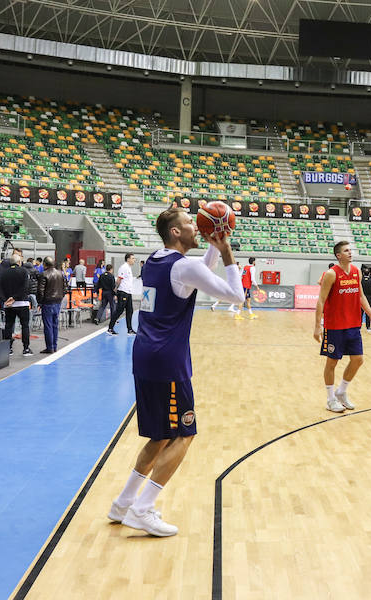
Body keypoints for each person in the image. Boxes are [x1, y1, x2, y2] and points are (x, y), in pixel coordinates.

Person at [107, 205, 244, 537]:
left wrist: (212, 243)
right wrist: (226, 253)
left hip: (146, 354)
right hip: (168, 361)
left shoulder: (155, 259)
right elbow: (237, 296)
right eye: (189, 224)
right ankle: (142, 509)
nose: (195, 228)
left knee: (160, 436)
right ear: (175, 233)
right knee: (185, 433)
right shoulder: (183, 267)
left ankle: (123, 504)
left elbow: (195, 271)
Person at [314, 241, 371, 413]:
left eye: (350, 250)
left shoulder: (356, 272)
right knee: (332, 362)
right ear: (338, 255)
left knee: (358, 360)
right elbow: (321, 300)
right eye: (346, 251)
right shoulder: (331, 274)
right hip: (334, 326)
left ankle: (341, 392)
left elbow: (361, 296)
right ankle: (330, 399)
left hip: (353, 325)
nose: (350, 253)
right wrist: (317, 326)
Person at [0, 254, 33, 356]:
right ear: (19, 262)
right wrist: (15, 297)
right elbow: (26, 287)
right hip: (22, 303)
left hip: (8, 304)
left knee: (8, 325)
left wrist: (6, 299)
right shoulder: (24, 271)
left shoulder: (3, 273)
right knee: (25, 326)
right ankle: (26, 348)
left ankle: (8, 348)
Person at [37, 258, 66, 354]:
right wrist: (60, 298)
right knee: (55, 324)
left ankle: (50, 347)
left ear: (45, 264)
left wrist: (40, 302)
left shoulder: (44, 274)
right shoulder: (60, 273)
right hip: (57, 301)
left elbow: (40, 291)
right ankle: (54, 345)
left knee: (48, 326)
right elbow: (64, 288)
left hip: (47, 302)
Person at [108, 253, 137, 335]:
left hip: (128, 292)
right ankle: (110, 328)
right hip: (123, 292)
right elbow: (119, 280)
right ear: (128, 259)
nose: (134, 260)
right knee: (119, 310)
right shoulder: (123, 267)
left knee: (130, 311)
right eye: (133, 258)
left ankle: (130, 329)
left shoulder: (129, 268)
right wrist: (116, 290)